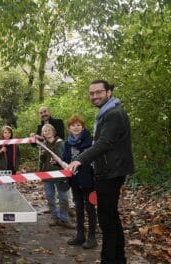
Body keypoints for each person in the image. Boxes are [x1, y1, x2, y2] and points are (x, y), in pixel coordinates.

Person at [68, 80, 134, 264]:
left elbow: (104, 143)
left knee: (106, 220)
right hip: (109, 170)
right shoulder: (106, 113)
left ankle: (109, 259)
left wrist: (80, 159)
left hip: (111, 172)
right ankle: (118, 258)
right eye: (92, 93)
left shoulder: (114, 114)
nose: (95, 96)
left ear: (109, 92)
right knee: (111, 216)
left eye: (99, 92)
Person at [63, 115, 97, 249]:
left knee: (90, 208)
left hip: (89, 180)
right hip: (74, 180)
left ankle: (92, 237)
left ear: (83, 127)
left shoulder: (91, 141)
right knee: (78, 207)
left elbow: (94, 158)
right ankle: (80, 235)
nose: (76, 127)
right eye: (73, 125)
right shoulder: (67, 143)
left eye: (78, 125)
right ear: (69, 128)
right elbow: (66, 159)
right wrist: (58, 162)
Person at [40, 124, 74, 229]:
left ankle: (64, 219)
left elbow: (67, 158)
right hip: (47, 175)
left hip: (61, 175)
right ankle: (55, 217)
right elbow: (42, 161)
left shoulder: (61, 143)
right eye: (45, 131)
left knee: (63, 198)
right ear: (43, 134)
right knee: (50, 197)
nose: (47, 132)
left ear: (53, 131)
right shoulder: (43, 144)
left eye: (49, 130)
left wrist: (58, 161)